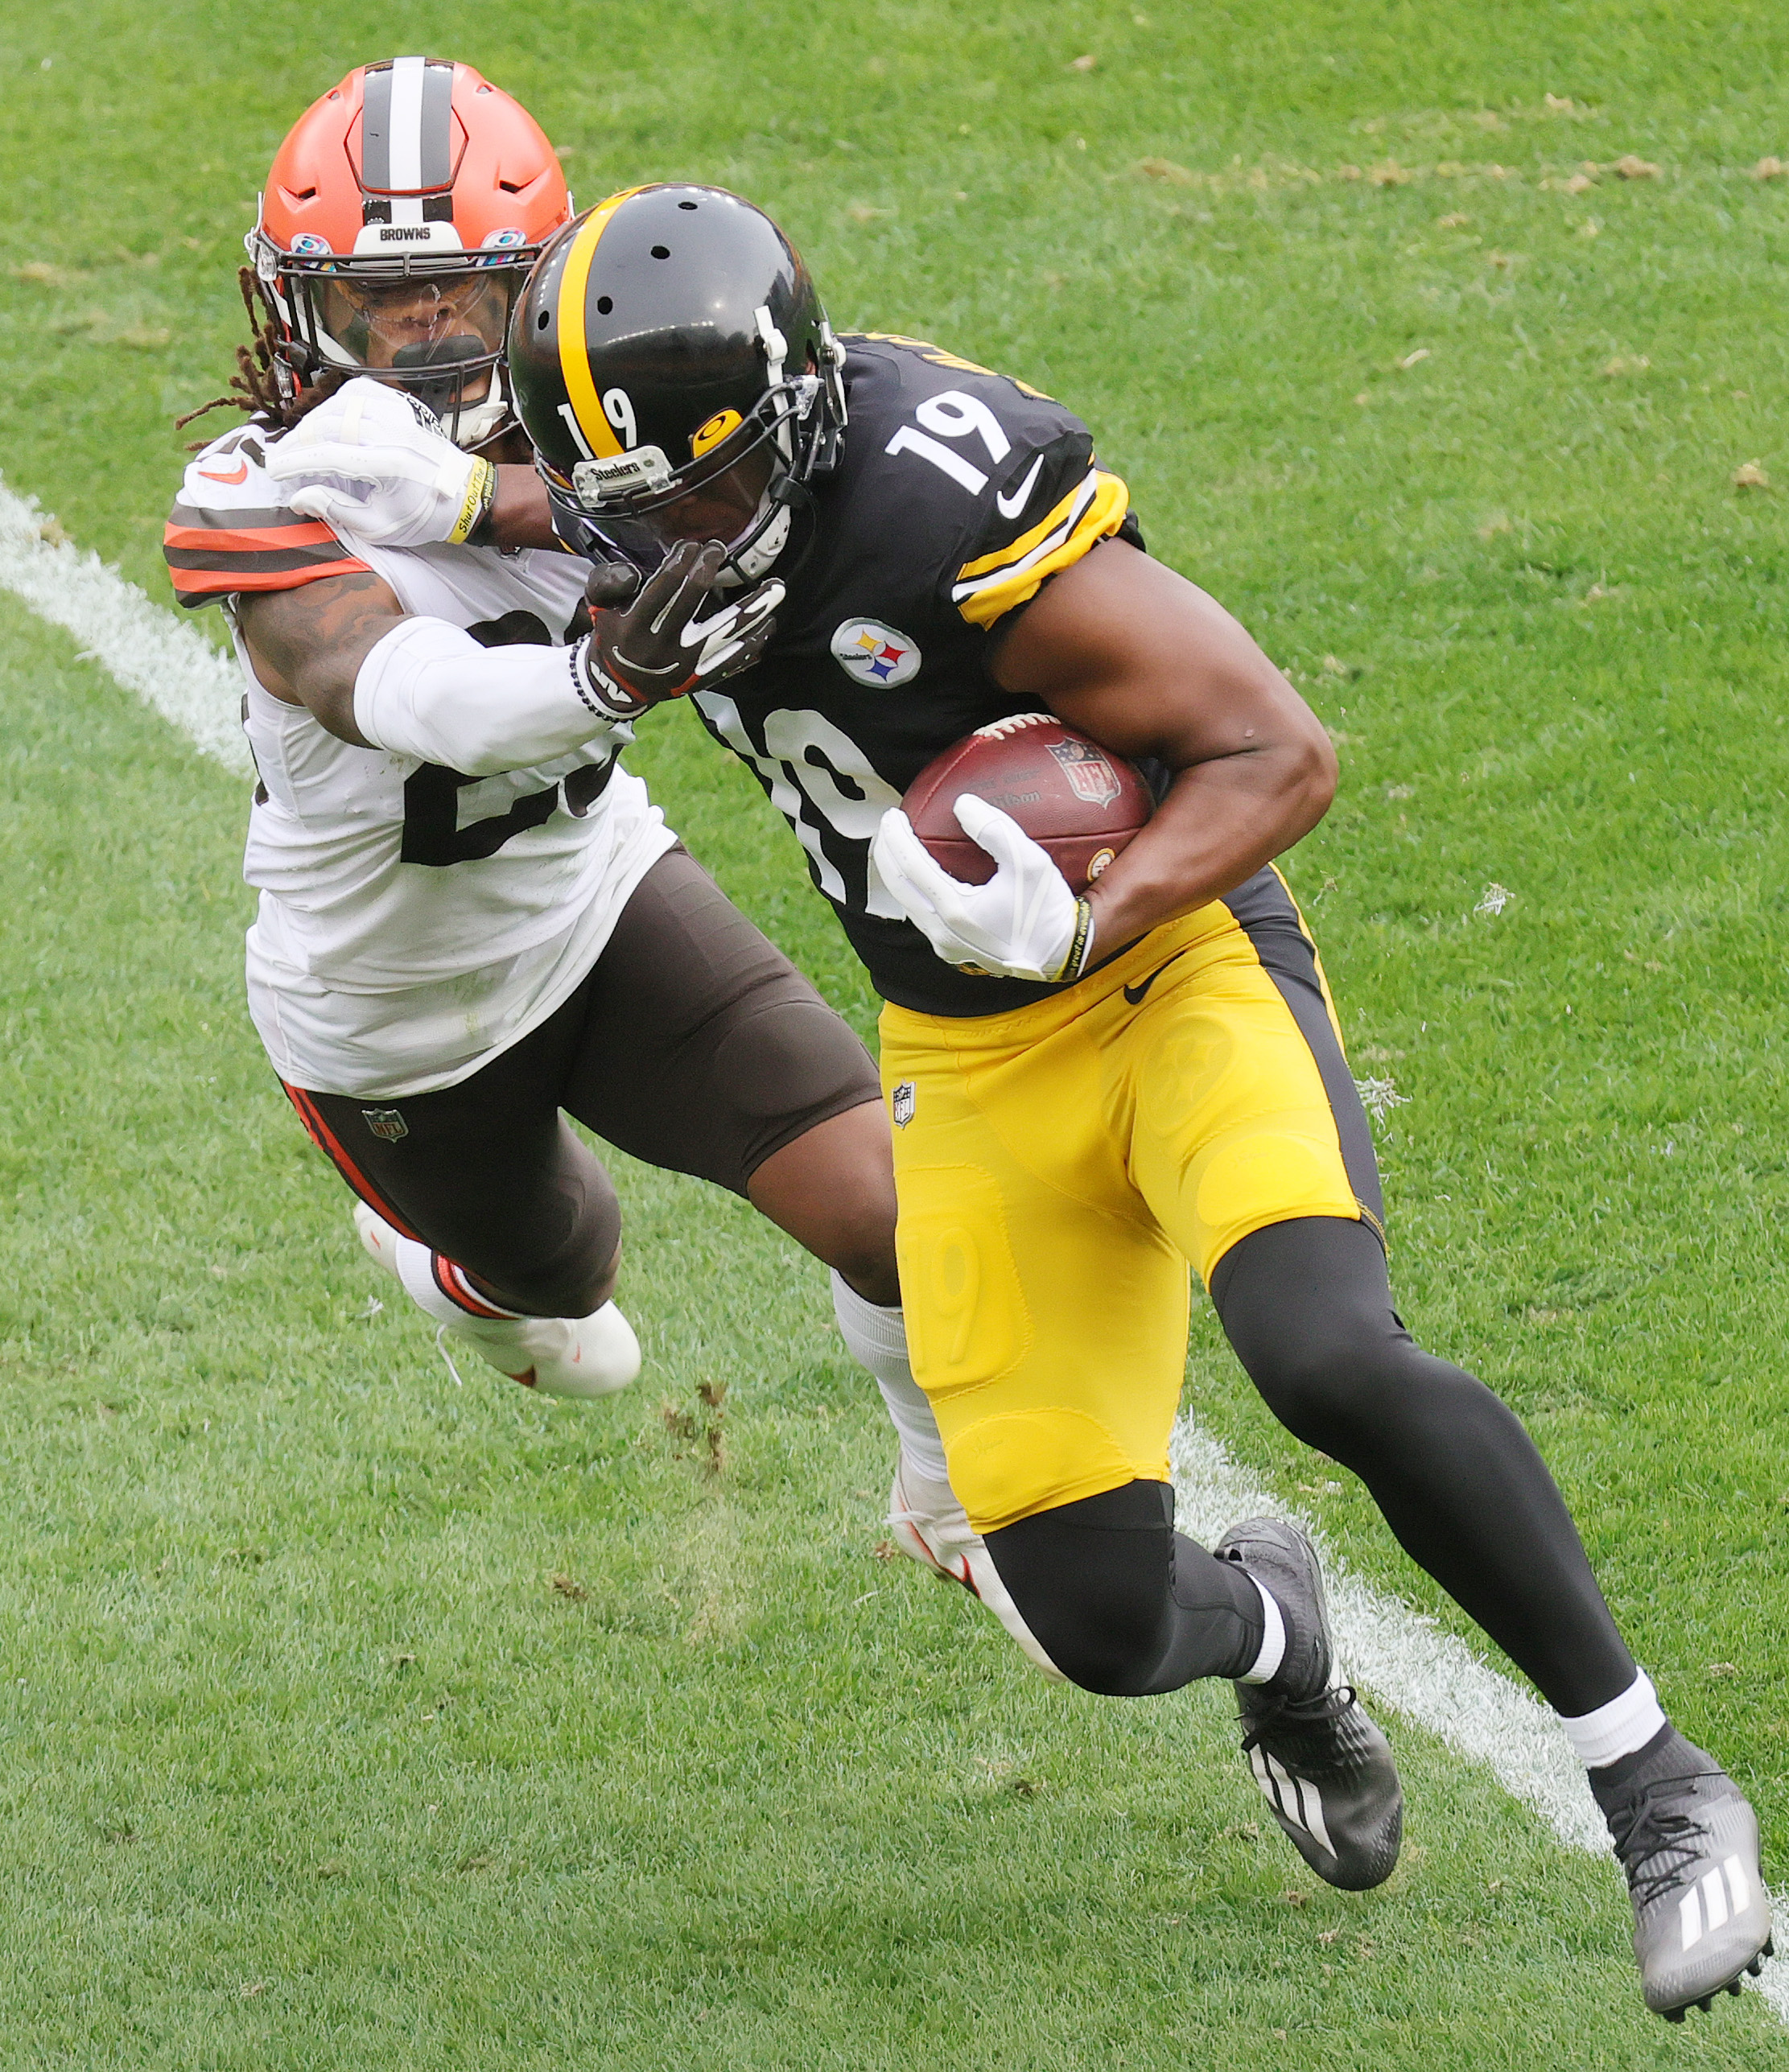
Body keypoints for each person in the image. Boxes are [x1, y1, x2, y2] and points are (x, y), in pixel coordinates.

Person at [267, 179, 1771, 2018]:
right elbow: (603, 495)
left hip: (1167, 977)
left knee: (1320, 1351)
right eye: (632, 512)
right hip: (961, 1058)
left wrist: (1090, 905)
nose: (667, 549)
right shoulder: (669, 481)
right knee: (1094, 1617)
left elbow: (1274, 747)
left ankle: (1655, 1784)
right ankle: (1277, 1630)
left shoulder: (938, 507)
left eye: (705, 502)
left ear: (792, 432)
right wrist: (463, 497)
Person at [156, 64, 968, 1555]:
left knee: (894, 1213)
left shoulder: (613, 433)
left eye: (461, 291)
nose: (424, 337)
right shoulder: (262, 484)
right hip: (391, 1008)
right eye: (376, 302)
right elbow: (389, 688)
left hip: (598, 901)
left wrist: (539, 506)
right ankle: (463, 1272)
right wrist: (601, 679)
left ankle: (944, 1499)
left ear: (533, 282)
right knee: (571, 1300)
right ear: (299, 310)